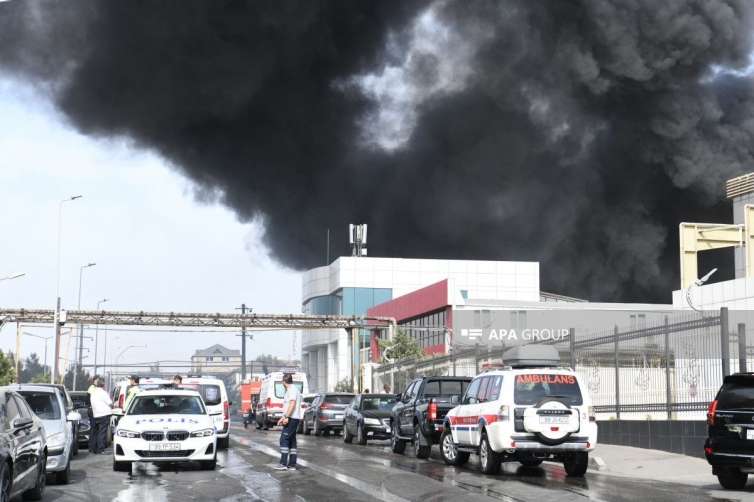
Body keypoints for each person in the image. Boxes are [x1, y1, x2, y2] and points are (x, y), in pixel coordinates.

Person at [274, 373, 302, 470]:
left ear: (284, 382)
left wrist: (286, 417)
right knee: (292, 440)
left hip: (291, 418)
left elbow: (292, 404)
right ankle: (292, 464)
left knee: (284, 439)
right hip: (293, 417)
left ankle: (283, 464)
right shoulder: (292, 390)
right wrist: (283, 418)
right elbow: (289, 405)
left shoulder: (292, 390)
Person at [89, 376, 113, 454]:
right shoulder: (103, 393)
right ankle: (101, 449)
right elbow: (110, 403)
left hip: (96, 414)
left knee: (96, 432)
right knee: (102, 432)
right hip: (104, 414)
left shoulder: (93, 393)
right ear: (103, 385)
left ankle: (94, 448)